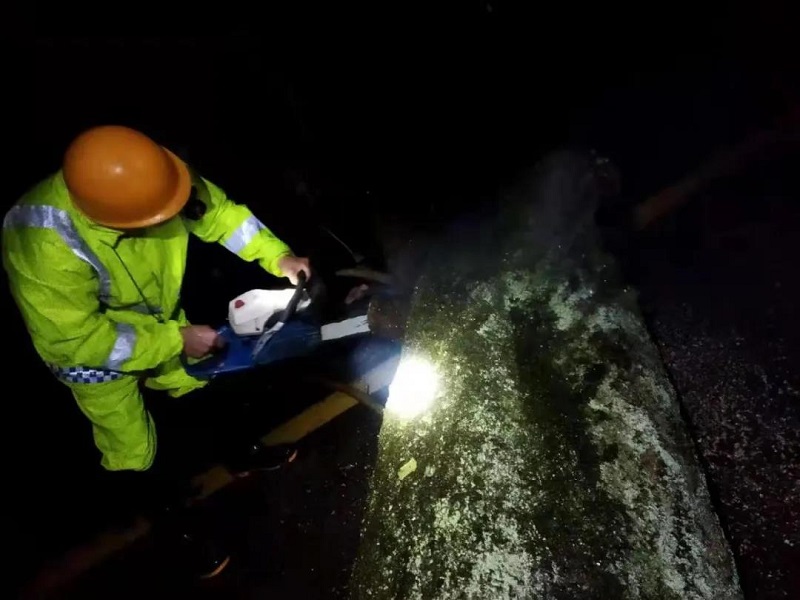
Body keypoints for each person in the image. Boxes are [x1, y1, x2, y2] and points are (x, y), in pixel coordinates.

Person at [2, 124, 311, 576]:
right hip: (92, 357)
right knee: (132, 450)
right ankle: (175, 528)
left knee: (202, 383)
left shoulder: (156, 175)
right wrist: (173, 340)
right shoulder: (41, 244)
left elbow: (220, 215)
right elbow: (76, 338)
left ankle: (239, 452)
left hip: (162, 321)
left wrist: (277, 256)